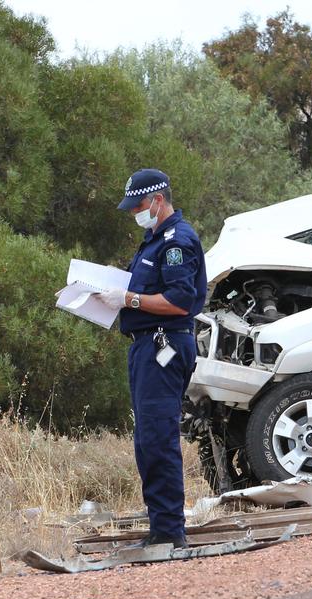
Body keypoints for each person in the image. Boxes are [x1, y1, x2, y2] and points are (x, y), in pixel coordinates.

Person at [96, 169, 207, 548]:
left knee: (159, 438)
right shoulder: (153, 241)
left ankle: (170, 534)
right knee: (146, 440)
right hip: (146, 345)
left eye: (139, 206)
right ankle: (160, 526)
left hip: (166, 345)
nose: (135, 214)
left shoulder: (178, 242)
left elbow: (178, 301)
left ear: (158, 200)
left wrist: (129, 300)